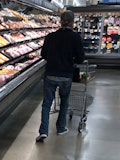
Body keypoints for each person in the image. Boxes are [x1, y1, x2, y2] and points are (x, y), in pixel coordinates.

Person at [36, 10, 85, 142]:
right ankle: (61, 128)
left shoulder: (50, 36)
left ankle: (43, 131)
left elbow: (43, 55)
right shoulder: (76, 37)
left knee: (46, 104)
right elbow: (80, 58)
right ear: (73, 22)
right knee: (64, 102)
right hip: (66, 75)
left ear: (60, 21)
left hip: (50, 74)